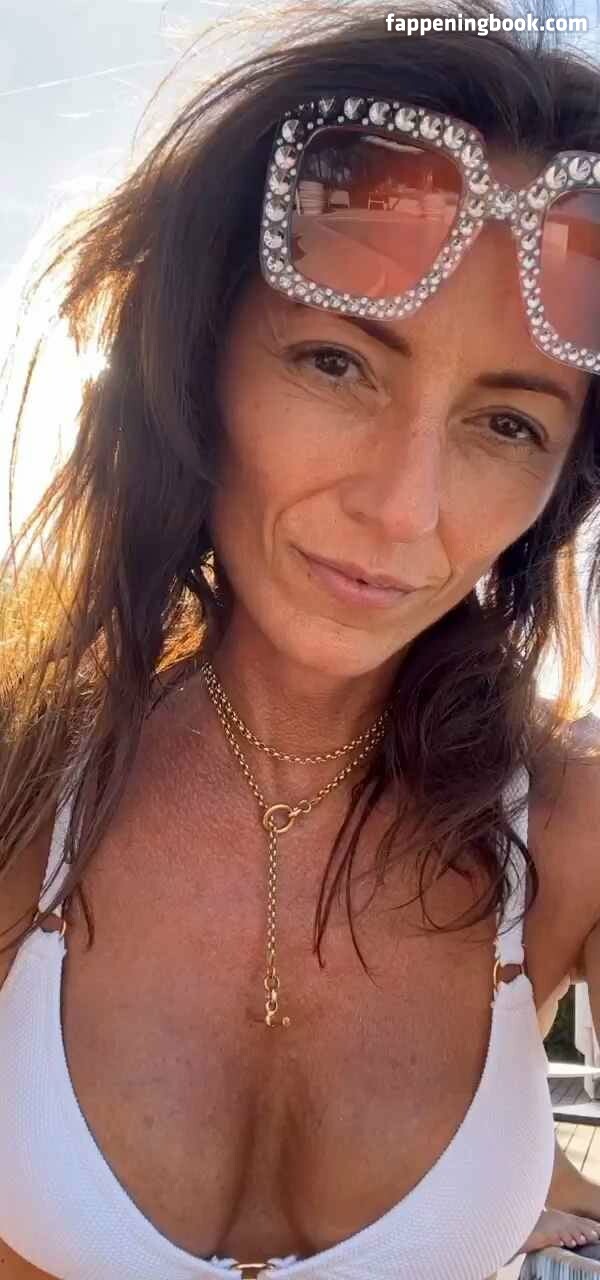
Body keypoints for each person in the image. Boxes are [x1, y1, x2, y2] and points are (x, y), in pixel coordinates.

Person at [1, 1, 600, 1277]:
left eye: (507, 425)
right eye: (336, 363)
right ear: (191, 362)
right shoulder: (18, 780)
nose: (405, 509)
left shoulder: (570, 836)